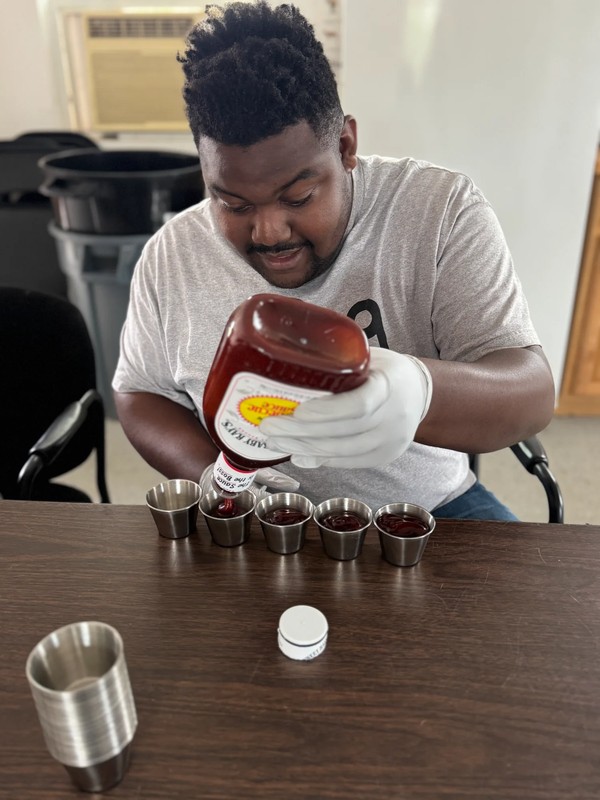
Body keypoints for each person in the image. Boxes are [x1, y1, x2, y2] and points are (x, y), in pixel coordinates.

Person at [113, 0, 555, 520]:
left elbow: (531, 394)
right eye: (233, 204)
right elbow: (139, 394)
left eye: (298, 197)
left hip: (430, 507)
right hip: (251, 511)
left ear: (346, 145)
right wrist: (212, 473)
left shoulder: (438, 211)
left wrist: (419, 392)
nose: (269, 232)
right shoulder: (172, 254)